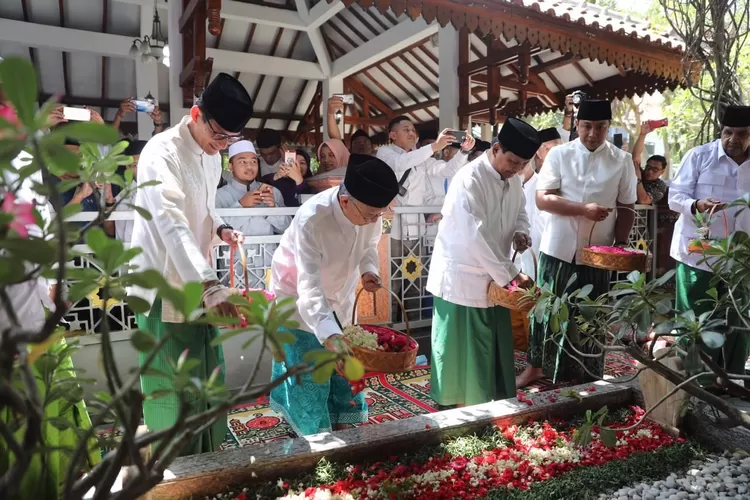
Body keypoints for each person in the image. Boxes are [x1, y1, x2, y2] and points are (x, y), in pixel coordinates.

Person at [127, 73, 253, 456]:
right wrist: (210, 285)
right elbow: (171, 222)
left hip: (199, 285)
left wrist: (223, 230)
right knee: (173, 386)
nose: (222, 145)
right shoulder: (160, 152)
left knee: (207, 377)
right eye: (218, 134)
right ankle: (176, 471)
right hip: (163, 287)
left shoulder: (211, 156)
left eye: (231, 139)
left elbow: (204, 214)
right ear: (196, 113)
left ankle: (208, 459)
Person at [268, 154, 399, 436]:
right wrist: (330, 335)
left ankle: (346, 426)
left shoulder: (368, 210)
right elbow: (309, 287)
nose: (375, 220)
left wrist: (368, 271)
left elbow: (369, 245)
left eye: (380, 214)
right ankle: (313, 435)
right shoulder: (312, 220)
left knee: (345, 371)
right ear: (344, 201)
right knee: (311, 372)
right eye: (371, 215)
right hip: (298, 300)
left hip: (340, 294)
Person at [519, 99, 637, 388]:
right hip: (557, 247)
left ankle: (587, 372)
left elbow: (627, 205)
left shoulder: (621, 160)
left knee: (590, 313)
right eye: (586, 126)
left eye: (600, 127)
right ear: (577, 125)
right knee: (547, 311)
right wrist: (582, 209)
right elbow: (542, 198)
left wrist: (620, 243)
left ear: (608, 127)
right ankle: (536, 367)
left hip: (597, 253)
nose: (592, 133)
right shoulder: (559, 154)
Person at [426, 118, 540, 407]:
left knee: (492, 346)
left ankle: (491, 404)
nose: (516, 169)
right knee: (462, 352)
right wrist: (512, 276)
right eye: (512, 161)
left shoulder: (514, 180)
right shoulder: (469, 178)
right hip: (462, 278)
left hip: (495, 279)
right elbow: (475, 236)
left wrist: (521, 232)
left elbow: (520, 213)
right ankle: (458, 409)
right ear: (496, 148)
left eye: (522, 164)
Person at [669, 105, 750, 387]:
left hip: (741, 261)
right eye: (728, 132)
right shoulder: (700, 156)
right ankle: (696, 383)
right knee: (697, 320)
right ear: (721, 131)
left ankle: (731, 380)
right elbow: (674, 196)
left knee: (737, 321)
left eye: (741, 134)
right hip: (699, 258)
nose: (733, 139)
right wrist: (695, 205)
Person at [216, 140, 291, 285]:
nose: (249, 166)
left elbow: (287, 229)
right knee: (236, 305)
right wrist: (241, 205)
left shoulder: (273, 192)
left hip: (267, 263)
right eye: (242, 162)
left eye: (253, 162)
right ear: (230, 166)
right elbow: (215, 229)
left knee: (268, 304)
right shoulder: (219, 196)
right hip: (234, 266)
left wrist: (272, 209)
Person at [104, 139, 147, 243]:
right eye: (136, 165)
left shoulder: (163, 191)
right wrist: (109, 200)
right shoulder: (123, 195)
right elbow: (110, 231)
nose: (141, 169)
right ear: (128, 166)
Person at [632, 121, 668, 205]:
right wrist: (643, 134)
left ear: (662, 171)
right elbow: (635, 156)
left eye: (655, 169)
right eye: (648, 167)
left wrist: (638, 179)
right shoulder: (639, 171)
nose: (650, 171)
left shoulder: (660, 185)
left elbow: (643, 200)